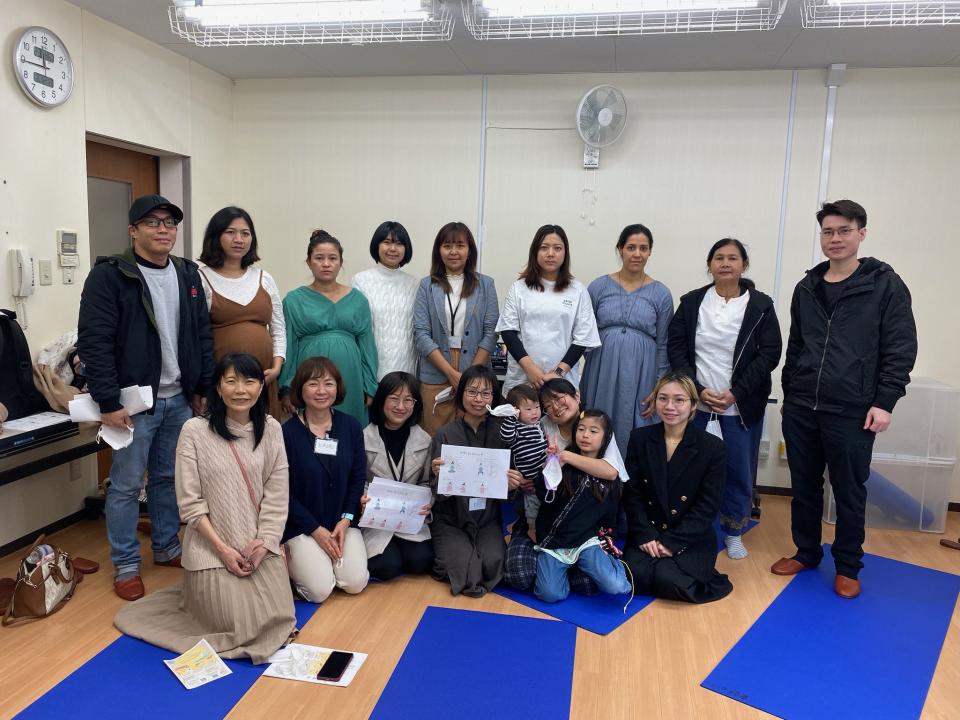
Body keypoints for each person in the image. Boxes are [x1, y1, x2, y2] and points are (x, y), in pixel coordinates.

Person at [774, 200, 917, 599]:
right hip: (802, 406)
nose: (835, 239)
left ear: (861, 234)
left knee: (849, 490)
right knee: (804, 486)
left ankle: (848, 566)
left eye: (843, 231)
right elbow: (797, 346)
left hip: (853, 408)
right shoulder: (807, 287)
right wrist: (790, 393)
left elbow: (900, 347)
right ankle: (806, 552)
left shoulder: (885, 285)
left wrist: (885, 401)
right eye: (828, 232)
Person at [114, 354, 296, 664]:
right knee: (241, 626)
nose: (241, 390)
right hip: (211, 549)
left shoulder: (272, 429)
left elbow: (277, 496)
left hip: (256, 546)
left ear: (260, 387)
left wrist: (265, 543)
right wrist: (223, 551)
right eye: (231, 381)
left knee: (277, 618)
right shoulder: (194, 430)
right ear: (219, 388)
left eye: (249, 381)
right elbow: (190, 504)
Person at [78, 195, 214, 601]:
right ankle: (126, 564)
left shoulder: (187, 274)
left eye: (170, 223)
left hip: (179, 398)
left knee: (169, 479)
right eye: (153, 222)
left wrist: (202, 387)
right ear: (133, 231)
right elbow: (95, 342)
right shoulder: (110, 276)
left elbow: (201, 335)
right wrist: (108, 402)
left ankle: (167, 546)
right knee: (125, 485)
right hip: (133, 404)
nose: (163, 229)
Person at [668, 238, 782, 560]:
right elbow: (676, 348)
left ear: (744, 265)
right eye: (719, 258)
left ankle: (733, 531)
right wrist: (696, 388)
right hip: (696, 404)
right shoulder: (692, 302)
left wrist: (736, 392)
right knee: (690, 470)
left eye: (733, 258)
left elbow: (770, 353)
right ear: (710, 265)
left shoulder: (760, 306)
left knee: (738, 471)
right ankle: (690, 530)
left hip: (740, 406)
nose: (725, 263)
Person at [503, 377, 629, 593]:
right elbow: (521, 454)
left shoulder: (596, 423)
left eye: (559, 398)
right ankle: (551, 559)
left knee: (589, 585)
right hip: (544, 512)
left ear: (576, 396)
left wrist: (565, 457)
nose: (555, 407)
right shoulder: (541, 425)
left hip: (585, 521)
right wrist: (523, 478)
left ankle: (568, 565)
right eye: (547, 405)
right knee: (520, 576)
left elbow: (610, 472)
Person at [622, 373, 733, 604]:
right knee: (633, 576)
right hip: (649, 532)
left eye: (679, 400)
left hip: (689, 536)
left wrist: (671, 543)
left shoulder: (712, 447)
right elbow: (632, 493)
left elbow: (708, 506)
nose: (669, 406)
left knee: (668, 579)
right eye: (663, 398)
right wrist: (645, 535)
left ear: (693, 405)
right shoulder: (640, 438)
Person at [428, 366, 524, 597]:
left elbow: (511, 490)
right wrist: (439, 477)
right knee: (464, 571)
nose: (478, 399)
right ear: (461, 393)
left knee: (494, 564)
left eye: (486, 393)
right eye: (472, 392)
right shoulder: (445, 434)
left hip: (487, 519)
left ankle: (471, 553)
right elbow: (434, 490)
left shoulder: (503, 434)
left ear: (494, 397)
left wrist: (513, 484)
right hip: (451, 519)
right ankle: (458, 556)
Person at [282, 357, 370, 602]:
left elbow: (357, 478)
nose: (321, 391)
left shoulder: (351, 426)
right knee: (319, 591)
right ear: (300, 389)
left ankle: (328, 565)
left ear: (337, 388)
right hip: (302, 526)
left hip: (342, 522)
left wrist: (347, 519)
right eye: (313, 384)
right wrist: (315, 530)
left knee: (355, 583)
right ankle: (298, 564)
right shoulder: (285, 433)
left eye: (328, 384)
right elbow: (282, 492)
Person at [581, 224, 673, 454]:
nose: (637, 254)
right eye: (631, 247)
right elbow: (584, 331)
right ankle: (595, 472)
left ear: (650, 252)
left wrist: (660, 384)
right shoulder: (599, 286)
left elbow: (664, 343)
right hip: (602, 367)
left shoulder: (661, 293)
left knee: (637, 423)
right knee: (597, 421)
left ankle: (630, 475)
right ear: (620, 249)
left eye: (643, 248)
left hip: (643, 372)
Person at [278, 230, 378, 425]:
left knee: (348, 429)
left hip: (350, 376)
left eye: (332, 258)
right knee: (309, 430)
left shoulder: (358, 300)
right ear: (309, 262)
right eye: (319, 258)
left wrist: (369, 386)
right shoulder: (294, 300)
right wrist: (286, 388)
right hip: (308, 376)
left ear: (341, 262)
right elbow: (288, 345)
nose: (326, 264)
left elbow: (367, 347)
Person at [533, 409, 630, 603]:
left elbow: (611, 513)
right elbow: (544, 494)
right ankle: (573, 573)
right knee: (550, 594)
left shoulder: (609, 473)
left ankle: (591, 568)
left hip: (587, 541)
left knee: (617, 586)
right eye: (581, 429)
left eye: (593, 431)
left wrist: (608, 538)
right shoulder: (563, 462)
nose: (585, 435)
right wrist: (550, 465)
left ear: (606, 438)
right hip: (556, 541)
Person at [197, 206, 286, 419]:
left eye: (245, 233)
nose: (239, 239)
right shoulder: (200, 278)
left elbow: (278, 329)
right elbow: (196, 335)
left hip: (263, 377)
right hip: (221, 381)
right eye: (231, 232)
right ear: (216, 236)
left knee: (263, 432)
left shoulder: (264, 277)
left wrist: (276, 366)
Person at [413, 222, 499, 435]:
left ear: (469, 251)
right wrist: (450, 372)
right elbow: (421, 334)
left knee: (472, 436)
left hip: (476, 365)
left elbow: (491, 333)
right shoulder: (426, 286)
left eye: (460, 245)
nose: (453, 251)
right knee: (434, 436)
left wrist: (470, 376)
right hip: (436, 367)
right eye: (447, 245)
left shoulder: (486, 285)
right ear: (438, 251)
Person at [496, 224, 600, 396]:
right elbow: (508, 331)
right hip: (522, 381)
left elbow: (582, 338)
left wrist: (558, 373)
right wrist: (530, 369)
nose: (550, 253)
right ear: (535, 251)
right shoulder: (519, 288)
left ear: (565, 253)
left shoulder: (578, 291)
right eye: (544, 248)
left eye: (557, 248)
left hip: (562, 383)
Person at [360, 372, 434, 580]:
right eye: (394, 398)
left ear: (415, 404)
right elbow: (357, 480)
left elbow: (427, 481)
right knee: (387, 566)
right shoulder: (364, 438)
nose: (401, 406)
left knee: (421, 562)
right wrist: (363, 497)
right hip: (376, 519)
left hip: (409, 518)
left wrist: (428, 502)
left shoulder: (424, 439)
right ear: (381, 400)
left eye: (408, 400)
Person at [352, 221, 419, 379]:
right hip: (372, 368)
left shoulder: (414, 284)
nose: (393, 249)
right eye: (387, 242)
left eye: (399, 243)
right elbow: (358, 330)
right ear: (377, 245)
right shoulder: (361, 280)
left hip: (406, 367)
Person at [499, 384, 547, 544]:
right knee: (532, 506)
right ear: (516, 411)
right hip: (527, 478)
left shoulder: (539, 424)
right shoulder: (516, 429)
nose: (535, 412)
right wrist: (511, 416)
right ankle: (531, 529)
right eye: (528, 409)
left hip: (542, 475)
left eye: (537, 407)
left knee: (544, 504)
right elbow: (506, 436)